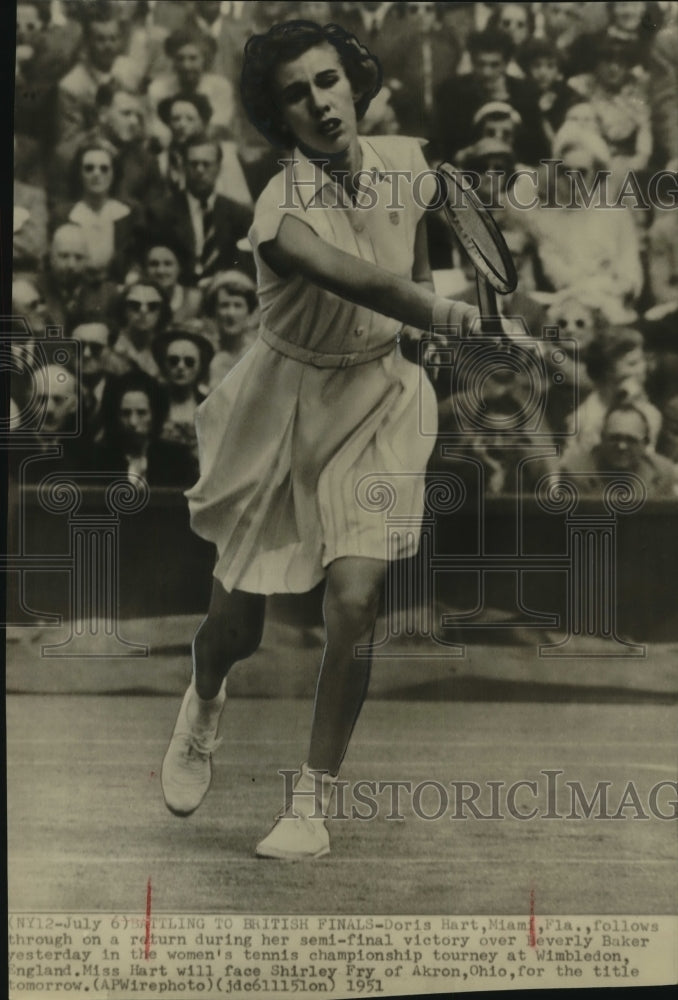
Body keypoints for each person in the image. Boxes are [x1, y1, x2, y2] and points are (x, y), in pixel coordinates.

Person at [159, 19, 479, 860]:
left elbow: (419, 257)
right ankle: (204, 698)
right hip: (284, 406)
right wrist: (453, 316)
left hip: (383, 394)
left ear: (355, 83)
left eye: (329, 81)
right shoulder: (277, 207)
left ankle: (312, 802)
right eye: (297, 93)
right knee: (237, 631)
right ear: (278, 114)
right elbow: (367, 280)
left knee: (353, 601)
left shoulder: (411, 163)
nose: (320, 103)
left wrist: (447, 309)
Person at [148, 138, 254, 282]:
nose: (199, 170)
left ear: (218, 168)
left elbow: (245, 266)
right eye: (193, 164)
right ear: (183, 167)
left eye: (206, 164)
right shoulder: (160, 212)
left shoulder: (240, 215)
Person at [93, 369, 198, 487]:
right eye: (125, 413)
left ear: (154, 415)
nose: (133, 422)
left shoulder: (176, 460)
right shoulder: (99, 461)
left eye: (141, 413)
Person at [560, 402, 677, 498]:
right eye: (614, 438)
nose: (621, 446)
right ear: (602, 438)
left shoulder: (662, 473)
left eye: (631, 440)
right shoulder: (575, 471)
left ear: (645, 443)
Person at [202, 270, 258, 389]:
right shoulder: (204, 352)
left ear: (249, 312)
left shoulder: (258, 352)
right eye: (224, 305)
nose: (231, 314)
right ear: (214, 311)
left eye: (238, 305)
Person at [110, 279, 172, 378]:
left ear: (162, 312)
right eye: (135, 305)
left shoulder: (167, 350)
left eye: (152, 306)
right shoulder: (110, 346)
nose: (143, 311)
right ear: (123, 309)